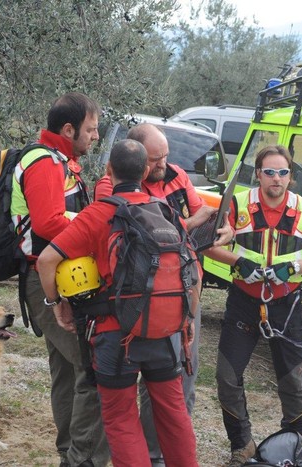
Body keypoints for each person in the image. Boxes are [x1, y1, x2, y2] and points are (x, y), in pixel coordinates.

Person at [36, 139, 198, 467]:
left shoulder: (100, 213)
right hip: (165, 332)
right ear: (145, 171)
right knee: (173, 414)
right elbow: (191, 269)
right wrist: (188, 319)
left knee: (122, 420)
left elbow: (46, 260)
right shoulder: (164, 210)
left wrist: (55, 304)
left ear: (109, 171)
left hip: (116, 335)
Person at [94, 123, 233, 466]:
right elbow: (129, 233)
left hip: (182, 295)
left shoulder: (176, 176)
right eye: (156, 159)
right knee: (131, 395)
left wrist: (217, 228)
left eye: (166, 156)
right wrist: (184, 226)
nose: (163, 164)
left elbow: (198, 217)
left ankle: (160, 457)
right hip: (132, 302)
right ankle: (150, 456)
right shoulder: (113, 186)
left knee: (177, 389)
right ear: (137, 157)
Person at [207, 145, 302, 466]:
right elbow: (208, 246)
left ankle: (293, 445)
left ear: (291, 177)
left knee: (292, 381)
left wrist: (293, 268)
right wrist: (237, 260)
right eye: (269, 172)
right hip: (244, 301)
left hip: (287, 304)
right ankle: (242, 444)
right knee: (226, 375)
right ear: (258, 174)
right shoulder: (238, 205)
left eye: (282, 172)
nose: (276, 179)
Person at [10, 92, 109, 467]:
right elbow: (49, 222)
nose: (95, 137)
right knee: (91, 369)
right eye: (91, 130)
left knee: (67, 371)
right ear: (68, 129)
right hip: (46, 279)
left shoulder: (57, 161)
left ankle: (70, 451)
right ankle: (81, 458)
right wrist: (97, 224)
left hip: (54, 276)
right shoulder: (46, 163)